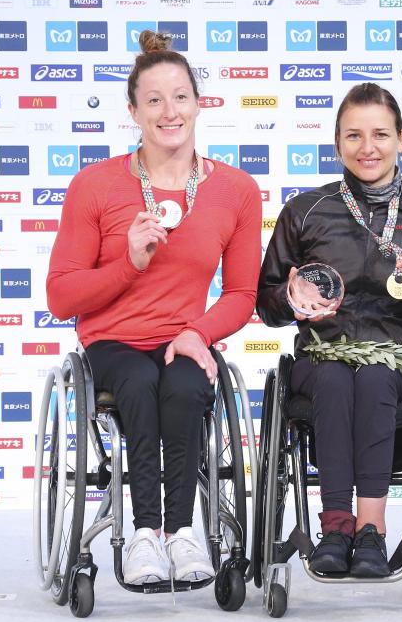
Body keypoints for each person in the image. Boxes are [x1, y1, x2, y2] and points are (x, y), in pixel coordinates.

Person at [46, 30, 262, 585]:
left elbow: (241, 294)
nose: (170, 112)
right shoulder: (94, 185)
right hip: (114, 342)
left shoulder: (236, 189)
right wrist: (129, 263)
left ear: (199, 102)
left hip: (183, 337)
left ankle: (184, 532)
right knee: (138, 386)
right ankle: (144, 533)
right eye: (155, 100)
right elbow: (61, 297)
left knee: (189, 386)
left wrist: (198, 332)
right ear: (134, 112)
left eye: (181, 97)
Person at [258, 83, 402, 578]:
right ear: (337, 145)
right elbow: (266, 304)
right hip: (322, 356)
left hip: (401, 361)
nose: (367, 147)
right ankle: (335, 525)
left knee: (373, 378)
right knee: (335, 377)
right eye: (353, 135)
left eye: (380, 134)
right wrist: (290, 299)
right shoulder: (305, 212)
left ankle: (371, 529)